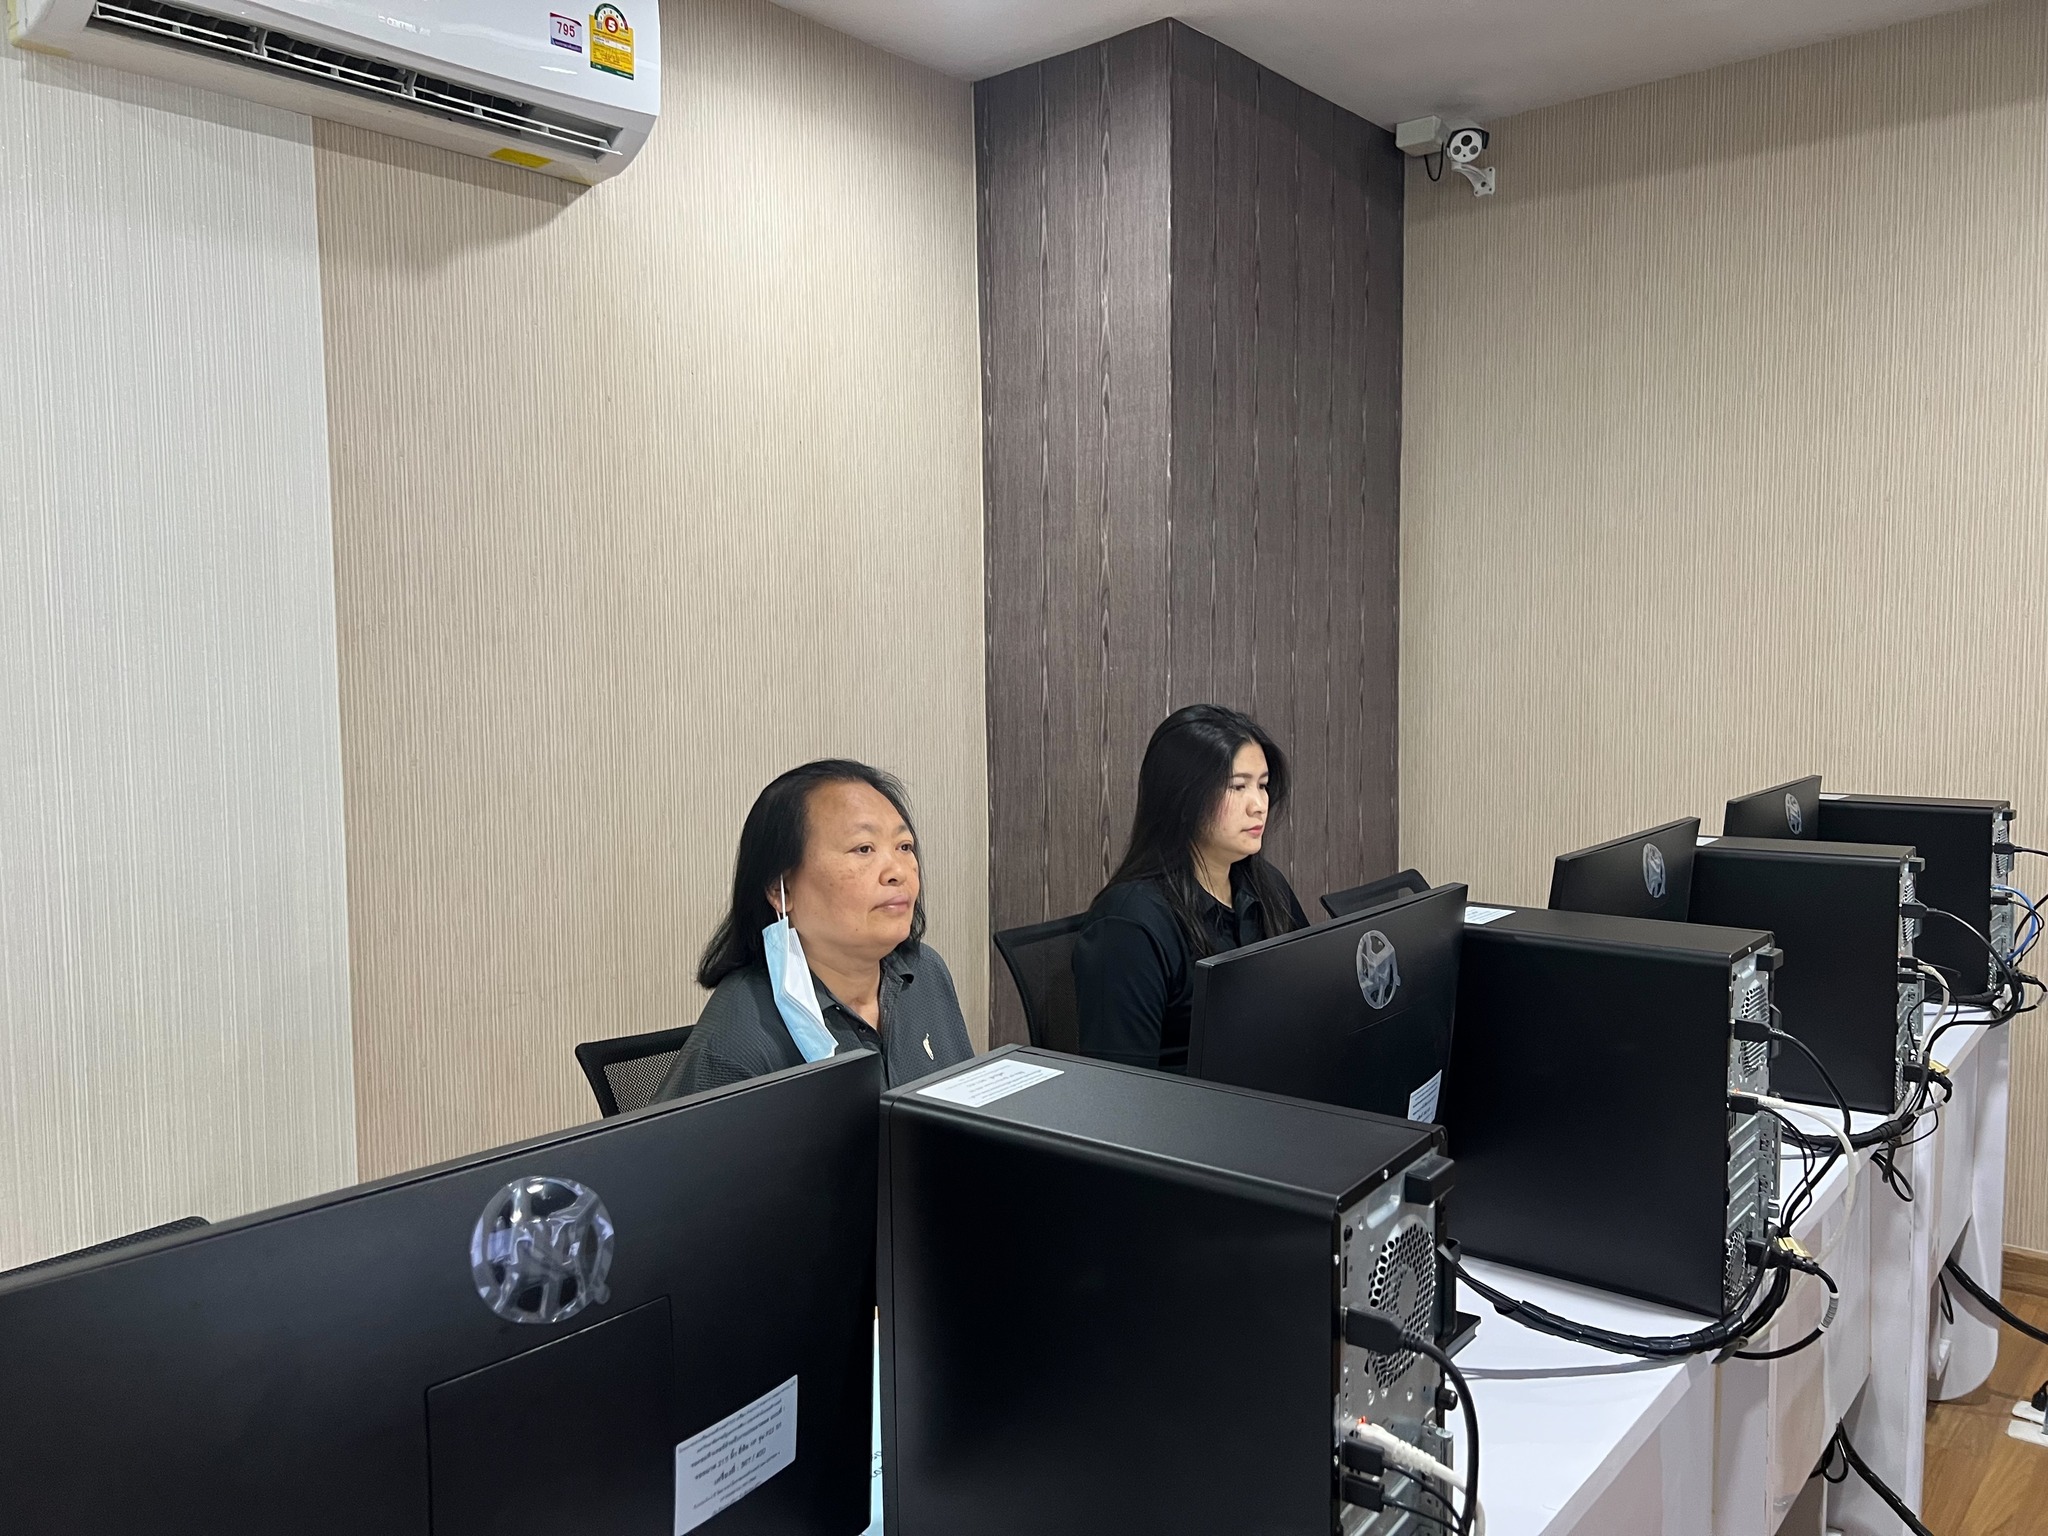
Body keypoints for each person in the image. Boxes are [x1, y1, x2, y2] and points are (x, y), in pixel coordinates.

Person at [656, 759, 975, 1098]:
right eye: (863, 849)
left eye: (904, 847)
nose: (898, 871)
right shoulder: (736, 1043)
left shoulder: (925, 971)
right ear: (781, 889)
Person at [1072, 704, 1308, 1072]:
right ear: (1184, 796)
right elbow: (1119, 1088)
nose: (1259, 805)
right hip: (1189, 1105)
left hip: (1272, 1091)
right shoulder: (1129, 923)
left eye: (1262, 785)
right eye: (1238, 786)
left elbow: (1311, 1004)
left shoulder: (1265, 884)